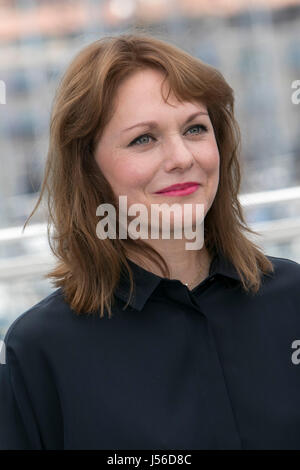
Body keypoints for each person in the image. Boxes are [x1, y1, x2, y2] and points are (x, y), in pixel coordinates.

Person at [0, 33, 300, 450]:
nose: (182, 157)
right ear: (88, 168)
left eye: (196, 128)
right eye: (144, 138)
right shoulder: (39, 351)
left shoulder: (294, 300)